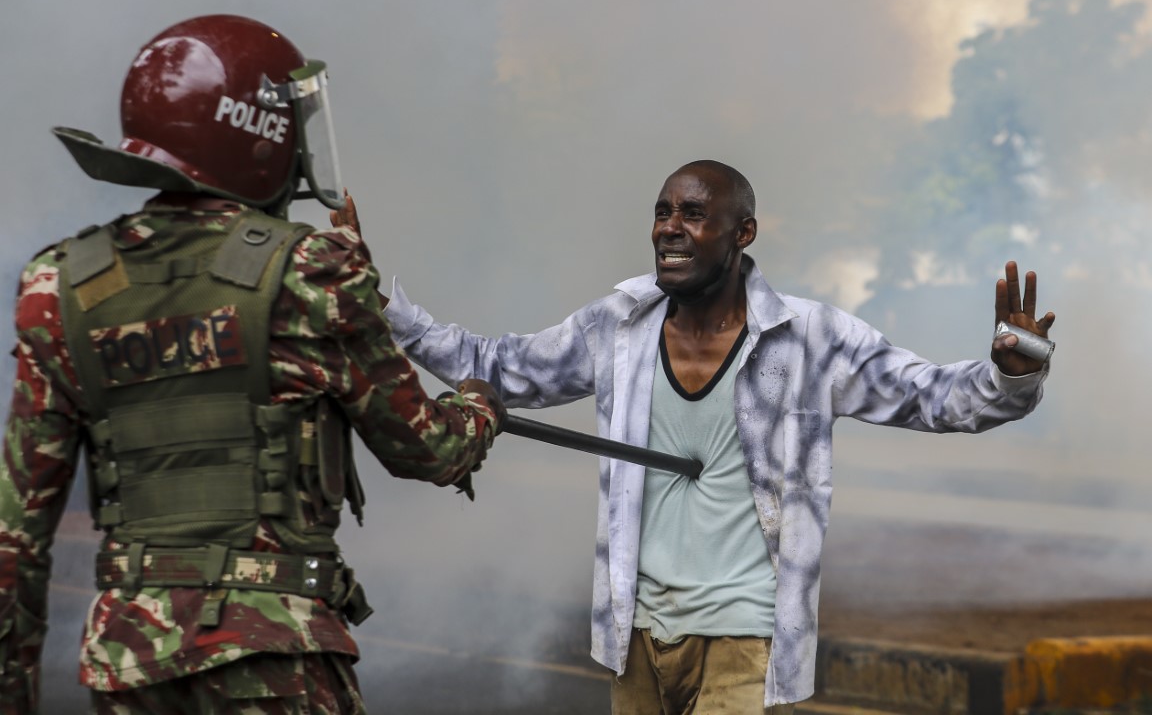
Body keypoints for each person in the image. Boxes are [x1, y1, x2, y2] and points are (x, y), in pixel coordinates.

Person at [342, 159, 1054, 713]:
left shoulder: (809, 339)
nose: (669, 227)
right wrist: (389, 314)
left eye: (693, 213)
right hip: (636, 636)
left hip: (746, 635)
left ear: (743, 233)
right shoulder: (617, 326)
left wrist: (1009, 378)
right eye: (661, 212)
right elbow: (496, 367)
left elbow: (932, 398)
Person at [0, 14, 504, 715]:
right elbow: (429, 448)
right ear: (257, 132)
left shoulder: (62, 284)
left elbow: (17, 535)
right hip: (274, 660)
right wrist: (481, 405)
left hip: (130, 666)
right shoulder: (310, 270)